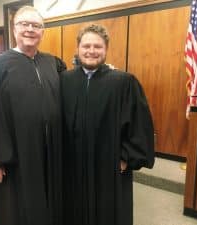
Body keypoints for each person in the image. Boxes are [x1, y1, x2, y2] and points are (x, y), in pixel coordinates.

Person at [0, 6, 66, 225]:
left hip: (51, 151)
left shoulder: (53, 63)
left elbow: (70, 94)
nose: (30, 29)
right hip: (17, 154)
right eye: (24, 24)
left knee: (50, 204)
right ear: (14, 29)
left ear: (43, 31)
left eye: (36, 25)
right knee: (18, 210)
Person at [61, 24, 155, 225]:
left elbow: (139, 125)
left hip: (108, 163)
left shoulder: (123, 82)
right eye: (86, 46)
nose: (91, 51)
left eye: (98, 46)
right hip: (73, 163)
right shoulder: (65, 80)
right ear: (78, 48)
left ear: (106, 49)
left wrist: (126, 156)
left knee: (108, 212)